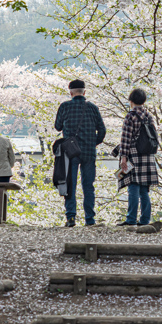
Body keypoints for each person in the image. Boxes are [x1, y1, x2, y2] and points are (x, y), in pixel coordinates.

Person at [54, 79, 106, 227]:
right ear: (84, 92)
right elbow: (102, 130)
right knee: (88, 185)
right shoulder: (92, 108)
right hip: (89, 152)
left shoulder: (65, 106)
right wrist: (93, 142)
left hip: (70, 152)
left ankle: (71, 218)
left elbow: (57, 127)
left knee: (71, 185)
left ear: (70, 92)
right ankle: (90, 219)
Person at [116, 88, 159, 227]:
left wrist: (123, 157)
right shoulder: (149, 115)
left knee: (133, 187)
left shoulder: (131, 115)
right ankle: (145, 220)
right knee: (144, 190)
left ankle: (131, 219)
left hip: (134, 154)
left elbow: (125, 138)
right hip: (147, 156)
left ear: (131, 100)